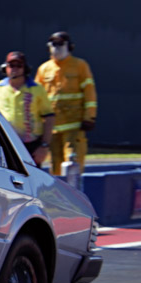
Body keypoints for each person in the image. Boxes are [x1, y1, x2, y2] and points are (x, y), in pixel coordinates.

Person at [36, 31, 97, 175]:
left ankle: (74, 188)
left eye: (60, 44)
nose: (56, 48)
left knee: (72, 163)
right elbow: (37, 97)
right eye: (53, 44)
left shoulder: (80, 66)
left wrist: (90, 117)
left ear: (69, 46)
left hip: (74, 125)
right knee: (55, 165)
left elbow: (89, 93)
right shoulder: (44, 69)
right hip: (52, 127)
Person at [0, 51, 55, 166]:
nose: (15, 69)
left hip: (31, 147)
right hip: (4, 145)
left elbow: (49, 118)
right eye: (11, 65)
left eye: (19, 65)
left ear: (25, 68)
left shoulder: (37, 89)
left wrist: (44, 146)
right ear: (5, 67)